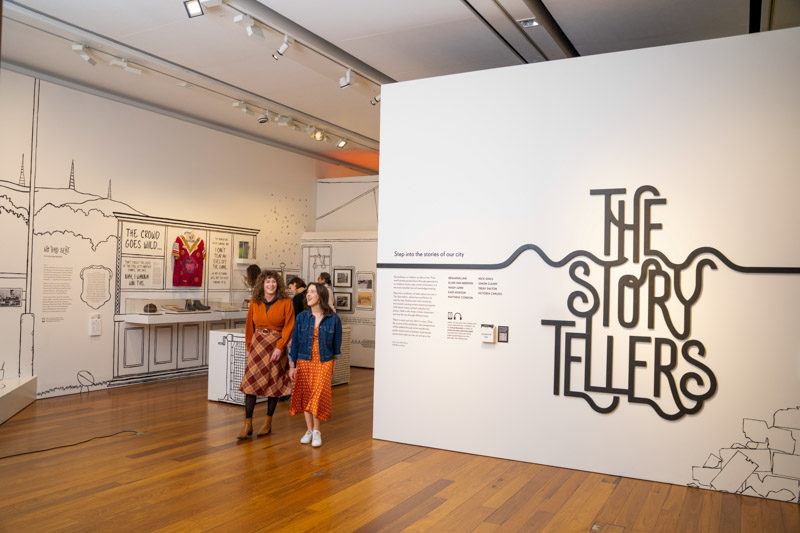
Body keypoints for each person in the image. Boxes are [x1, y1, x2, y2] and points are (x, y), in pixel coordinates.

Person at [237, 270, 295, 439]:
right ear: (262, 284)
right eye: (267, 281)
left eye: (274, 282)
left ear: (278, 284)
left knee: (273, 385)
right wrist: (249, 347)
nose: (271, 285)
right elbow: (249, 325)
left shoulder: (286, 302)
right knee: (250, 385)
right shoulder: (255, 302)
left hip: (276, 346)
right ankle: (248, 424)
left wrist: (280, 347)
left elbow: (289, 327)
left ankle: (268, 422)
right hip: (257, 344)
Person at [289, 282, 342, 447]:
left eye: (312, 292)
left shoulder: (333, 318)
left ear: (321, 295)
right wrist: (292, 365)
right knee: (306, 394)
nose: (308, 295)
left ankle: (317, 431)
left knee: (318, 395)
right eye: (308, 292)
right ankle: (310, 430)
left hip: (324, 361)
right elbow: (296, 342)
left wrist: (334, 362)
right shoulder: (302, 317)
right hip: (304, 360)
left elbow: (336, 344)